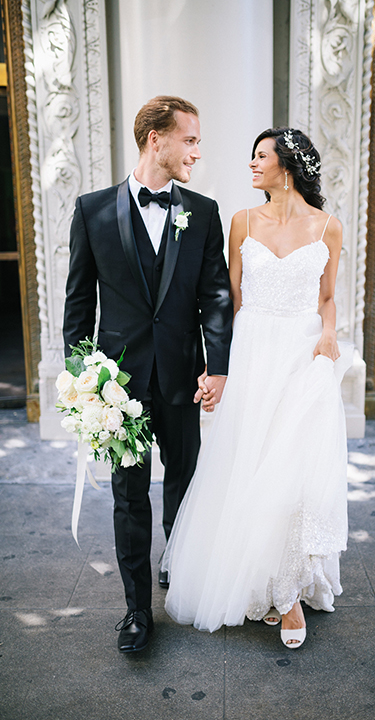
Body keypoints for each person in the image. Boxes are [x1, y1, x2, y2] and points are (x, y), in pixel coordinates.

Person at [162, 127, 353, 648]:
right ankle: (272, 587)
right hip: (254, 354)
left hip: (303, 355)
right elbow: (231, 301)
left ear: (285, 167)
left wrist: (330, 333)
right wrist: (219, 365)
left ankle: (287, 588)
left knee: (293, 471)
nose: (251, 165)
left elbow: (329, 297)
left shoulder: (328, 227)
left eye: (260, 157)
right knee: (252, 465)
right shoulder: (242, 221)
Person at [63, 96, 233, 653]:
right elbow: (77, 310)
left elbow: (214, 296)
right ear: (155, 140)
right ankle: (137, 611)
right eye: (189, 140)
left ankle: (179, 569)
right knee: (129, 496)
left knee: (185, 484)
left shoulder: (203, 213)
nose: (196, 152)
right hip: (119, 388)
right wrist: (87, 387)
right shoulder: (91, 212)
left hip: (184, 379)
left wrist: (219, 369)